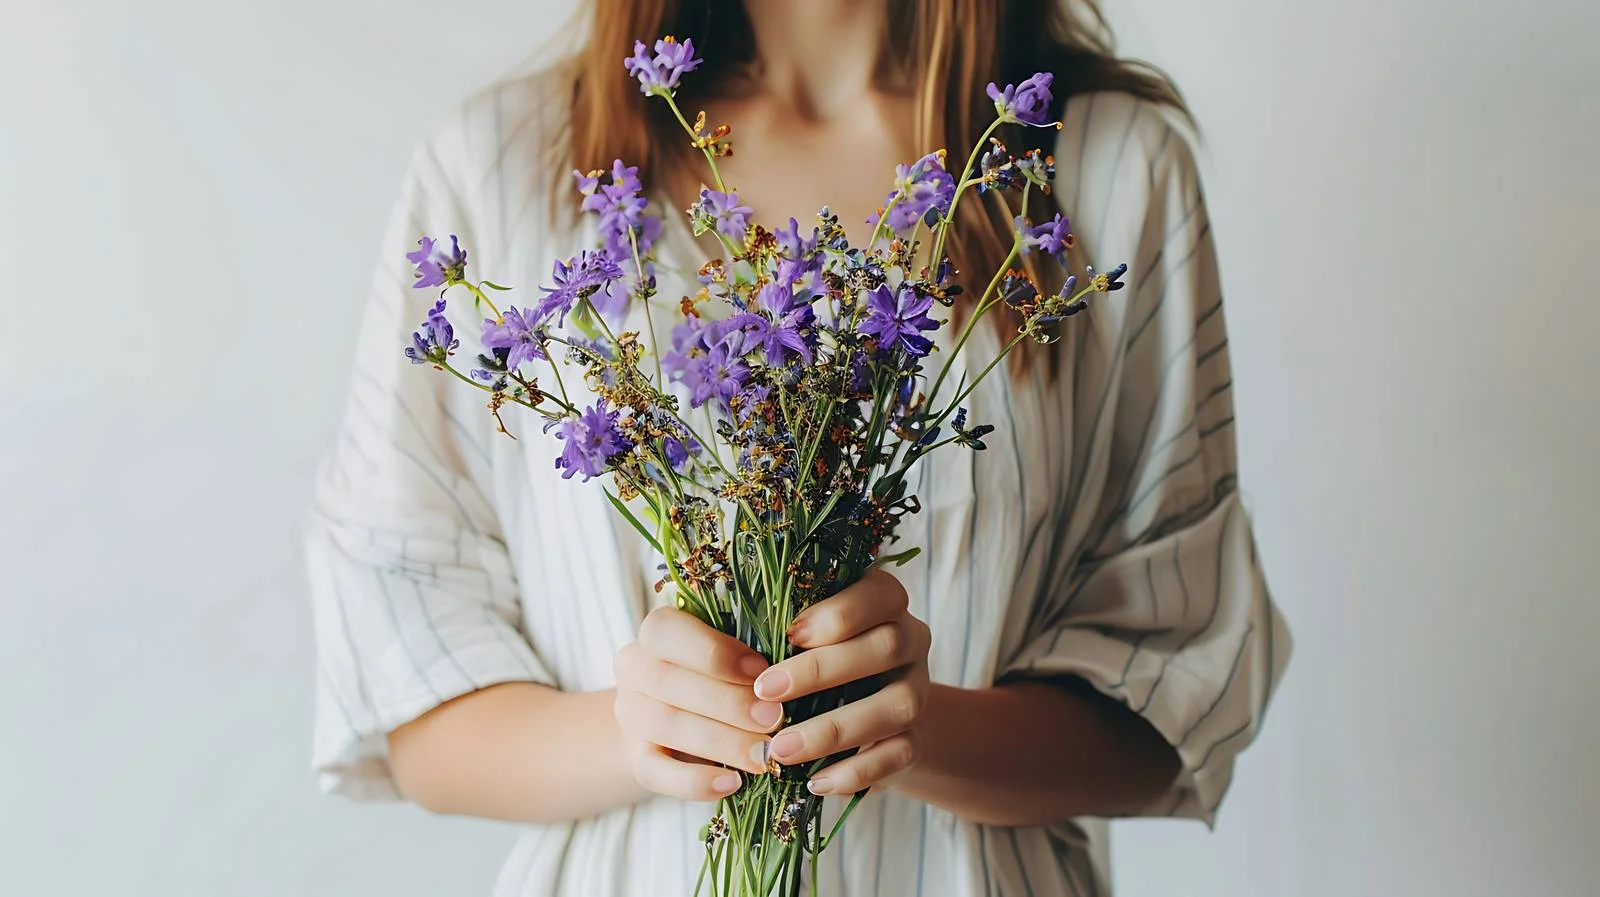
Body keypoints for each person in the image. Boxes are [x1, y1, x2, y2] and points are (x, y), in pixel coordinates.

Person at [303, 1, 1292, 893]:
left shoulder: (1109, 168)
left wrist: (920, 723)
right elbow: (411, 701)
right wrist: (636, 725)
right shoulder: (496, 166)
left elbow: (1170, 698)